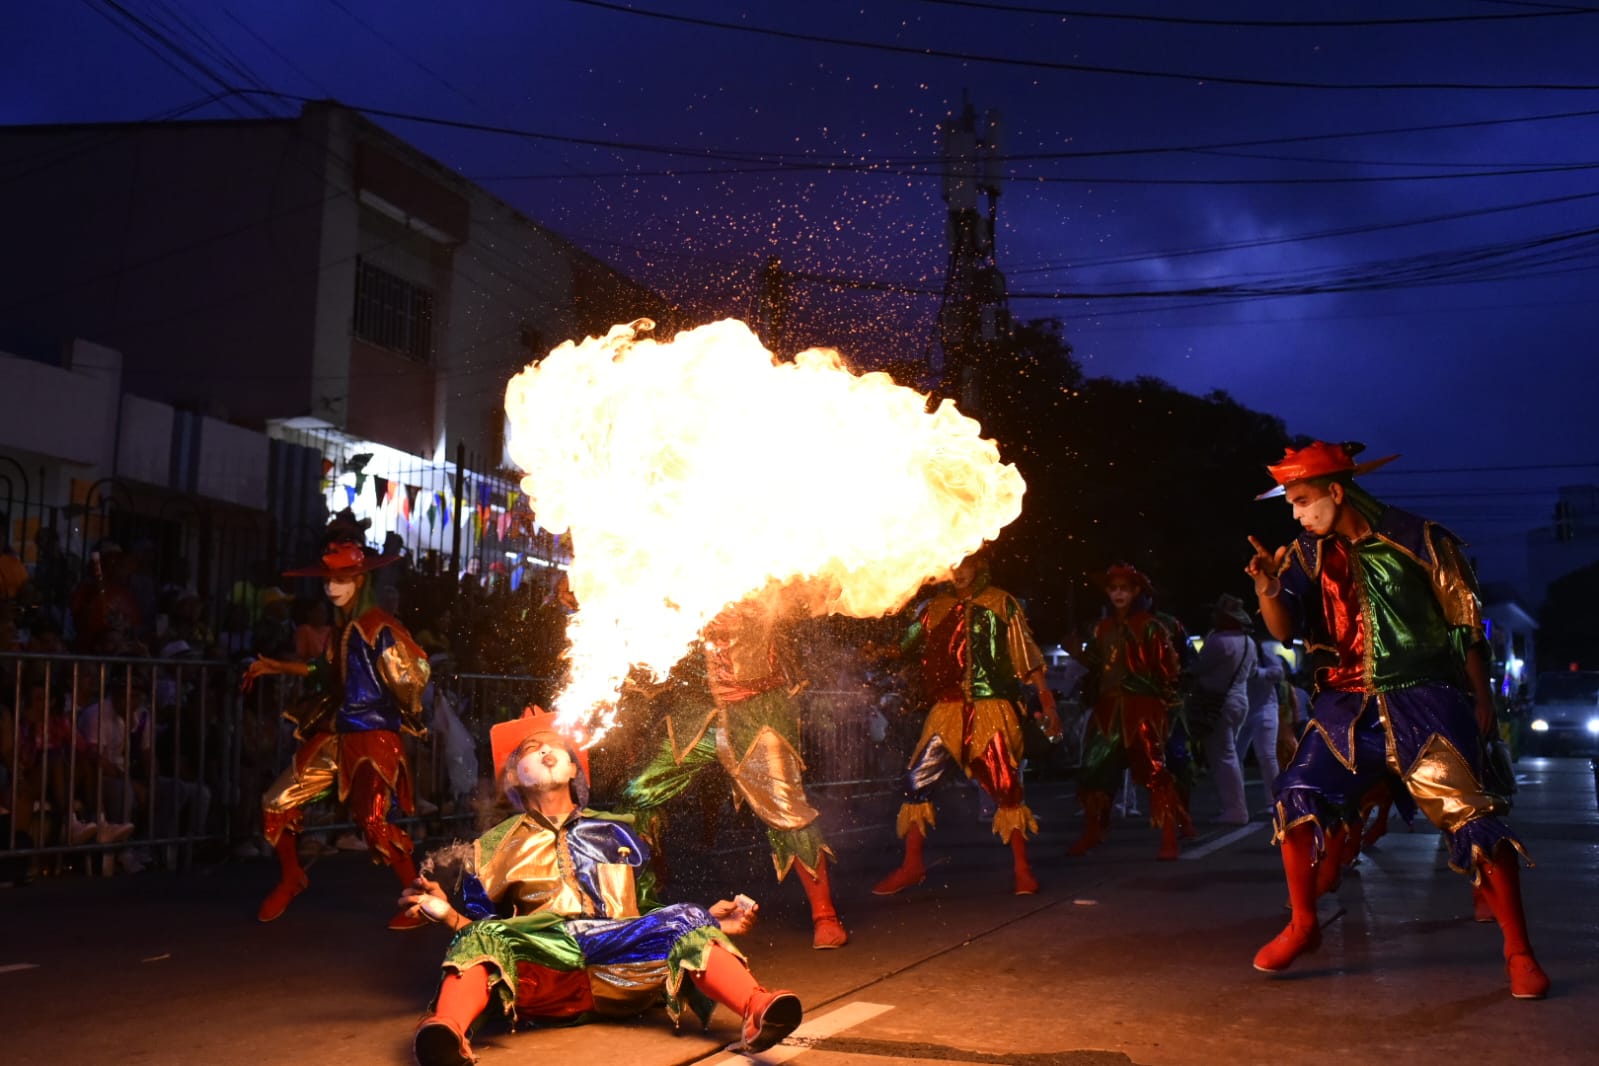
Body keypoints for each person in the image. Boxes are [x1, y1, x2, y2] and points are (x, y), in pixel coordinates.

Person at [1245, 440, 1547, 999]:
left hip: (1424, 699)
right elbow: (1285, 630)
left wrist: (1481, 697)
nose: (1296, 513)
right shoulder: (1308, 554)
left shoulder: (1421, 539)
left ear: (1336, 491)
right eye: (1291, 503)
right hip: (1344, 704)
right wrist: (1267, 589)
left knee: (1471, 818)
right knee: (1296, 795)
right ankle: (1303, 924)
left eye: (1302, 499)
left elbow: (1466, 624)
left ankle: (1519, 951)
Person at [401, 709, 802, 1065]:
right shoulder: (488, 849)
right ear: (514, 776)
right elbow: (483, 934)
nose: (544, 751)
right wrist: (450, 914)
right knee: (483, 934)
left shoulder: (620, 832)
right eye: (530, 749)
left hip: (624, 970)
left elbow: (646, 914)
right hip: (544, 976)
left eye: (555, 746)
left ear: (576, 770)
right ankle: (447, 1033)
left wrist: (707, 926)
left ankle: (757, 1008)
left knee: (687, 915)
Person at [618, 594, 848, 949]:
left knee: (789, 812)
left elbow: (808, 599)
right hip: (694, 715)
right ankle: (640, 900)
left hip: (756, 714)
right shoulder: (674, 580)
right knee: (637, 791)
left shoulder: (761, 581)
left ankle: (825, 914)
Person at [241, 537, 430, 928]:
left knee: (374, 823)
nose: (331, 587)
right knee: (276, 801)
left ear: (360, 580)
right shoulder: (341, 629)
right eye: (328, 579)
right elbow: (323, 672)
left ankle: (420, 901)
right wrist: (276, 666)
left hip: (374, 739)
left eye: (341, 578)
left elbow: (415, 675)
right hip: (338, 736)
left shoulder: (379, 626)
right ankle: (293, 876)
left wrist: (404, 708)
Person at [873, 549, 1062, 897]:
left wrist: (1046, 699)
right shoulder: (933, 608)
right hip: (946, 711)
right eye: (951, 564)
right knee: (916, 782)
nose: (957, 571)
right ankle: (911, 866)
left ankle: (1023, 870)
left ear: (978, 564)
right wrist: (876, 642)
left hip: (991, 708)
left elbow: (1027, 654)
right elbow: (905, 645)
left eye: (964, 563)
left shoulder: (1001, 603)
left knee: (1005, 788)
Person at [1066, 564, 1188, 860]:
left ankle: (1169, 836)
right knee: (1094, 769)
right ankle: (1094, 830)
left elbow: (1168, 670)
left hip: (1142, 707)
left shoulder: (1151, 626)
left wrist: (1166, 705)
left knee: (1155, 770)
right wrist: (1075, 651)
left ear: (1135, 592)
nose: (1118, 593)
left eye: (1124, 588)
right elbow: (1096, 664)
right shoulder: (1102, 628)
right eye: (1113, 588)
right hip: (1108, 709)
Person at [1185, 594, 1257, 825]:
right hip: (1239, 700)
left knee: (1223, 757)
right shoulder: (1249, 642)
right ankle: (1236, 807)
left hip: (1218, 702)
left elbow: (1199, 667)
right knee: (1230, 754)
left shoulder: (1219, 641)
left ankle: (1235, 810)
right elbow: (1253, 670)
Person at [1239, 637, 1286, 814]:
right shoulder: (1233, 649)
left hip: (1265, 708)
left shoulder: (1262, 651)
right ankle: (1236, 805)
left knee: (1267, 756)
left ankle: (1275, 802)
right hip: (1242, 708)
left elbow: (1279, 672)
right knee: (1234, 756)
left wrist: (1257, 673)